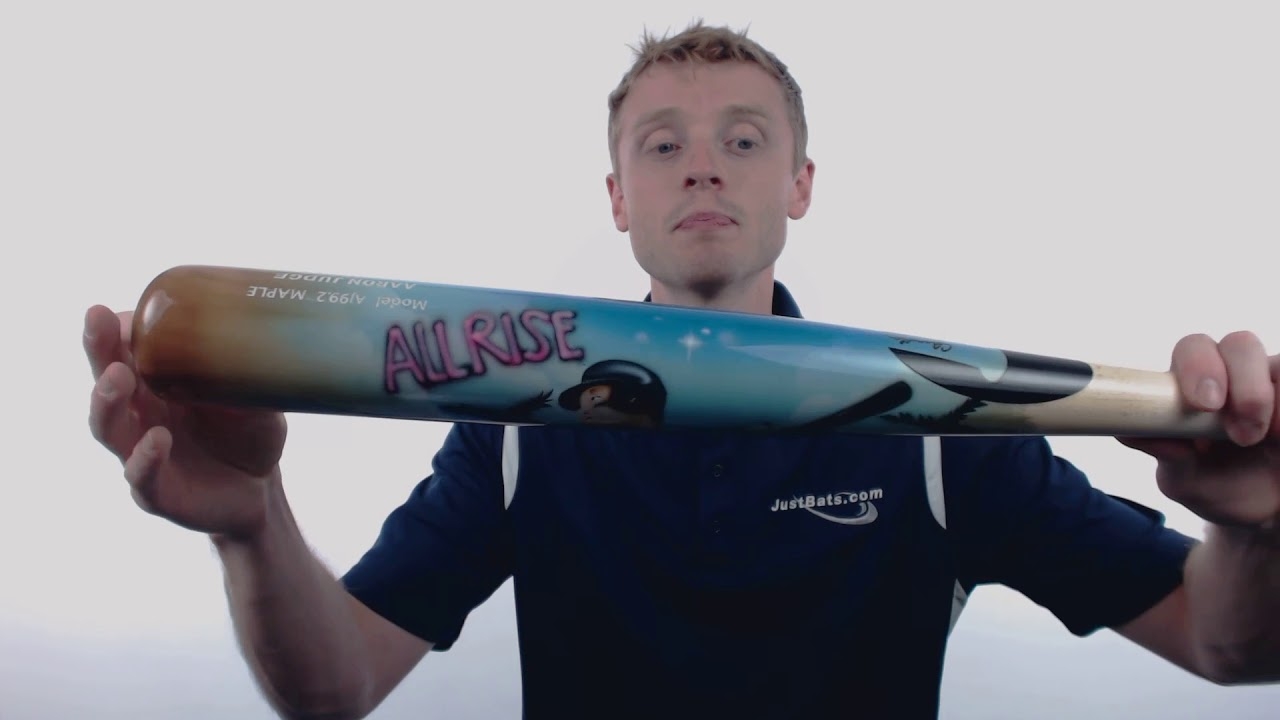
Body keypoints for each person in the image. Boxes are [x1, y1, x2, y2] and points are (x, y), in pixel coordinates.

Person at [84, 20, 1280, 720]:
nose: (701, 166)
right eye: (661, 145)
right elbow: (335, 685)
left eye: (742, 140)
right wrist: (252, 524)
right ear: (617, 198)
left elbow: (1226, 648)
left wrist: (1255, 528)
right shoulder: (516, 427)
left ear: (799, 184)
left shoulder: (934, 428)